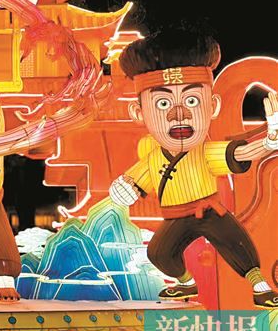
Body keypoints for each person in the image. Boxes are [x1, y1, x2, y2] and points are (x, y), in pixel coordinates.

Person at [108, 26, 278, 309]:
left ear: (212, 106)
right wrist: (122, 189)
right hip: (176, 217)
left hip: (210, 211)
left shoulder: (204, 151)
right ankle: (186, 283)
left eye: (191, 100)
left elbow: (241, 152)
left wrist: (270, 142)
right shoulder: (150, 155)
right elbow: (132, 183)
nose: (179, 114)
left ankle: (260, 286)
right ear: (139, 113)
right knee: (159, 254)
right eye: (163, 103)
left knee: (237, 243)